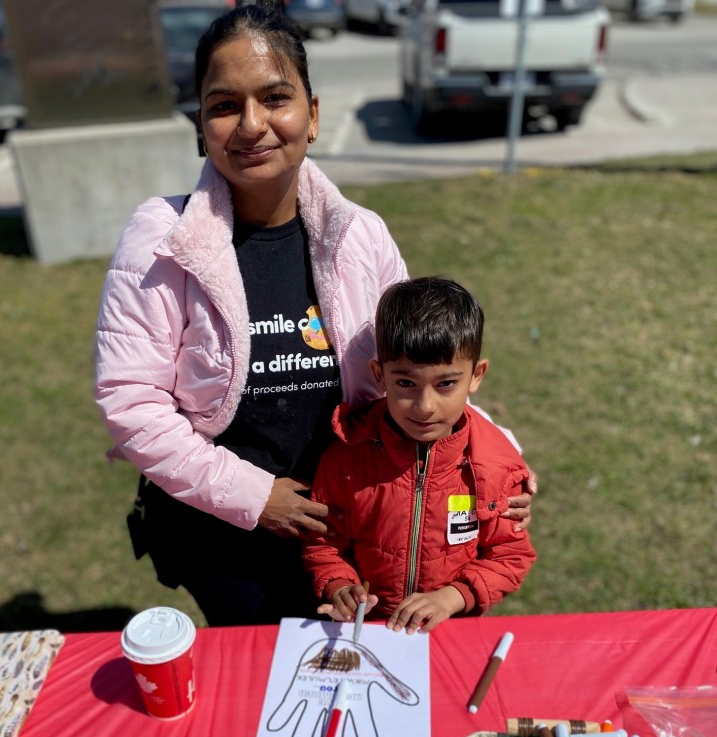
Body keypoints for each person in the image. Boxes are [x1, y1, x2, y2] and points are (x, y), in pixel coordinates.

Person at [94, 1, 533, 627]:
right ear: (201, 123)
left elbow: (416, 366)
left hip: (355, 531)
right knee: (262, 695)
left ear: (313, 114)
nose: (251, 125)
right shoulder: (160, 237)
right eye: (224, 105)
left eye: (275, 97)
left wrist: (502, 459)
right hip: (229, 541)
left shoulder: (360, 236)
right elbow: (130, 402)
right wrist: (254, 497)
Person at [303, 277, 536, 635]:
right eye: (406, 383)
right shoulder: (345, 457)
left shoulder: (497, 465)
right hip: (366, 634)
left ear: (476, 376)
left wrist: (452, 597)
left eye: (445, 384)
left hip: (451, 630)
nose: (425, 407)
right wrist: (339, 585)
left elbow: (510, 556)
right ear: (380, 376)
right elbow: (323, 544)